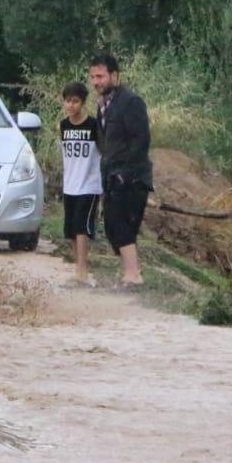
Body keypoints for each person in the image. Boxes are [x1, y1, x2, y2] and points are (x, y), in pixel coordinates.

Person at [88, 52, 151, 287]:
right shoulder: (104, 105)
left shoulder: (131, 102)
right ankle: (132, 274)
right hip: (111, 176)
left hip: (131, 178)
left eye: (100, 76)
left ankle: (133, 275)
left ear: (115, 75)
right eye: (93, 77)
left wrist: (126, 174)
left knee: (121, 224)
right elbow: (104, 143)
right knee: (114, 227)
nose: (96, 82)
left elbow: (141, 140)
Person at [59, 80, 103, 287]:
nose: (71, 105)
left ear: (83, 102)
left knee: (81, 229)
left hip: (89, 185)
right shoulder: (63, 125)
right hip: (70, 184)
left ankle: (83, 273)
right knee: (70, 231)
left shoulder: (94, 125)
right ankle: (78, 270)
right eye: (68, 101)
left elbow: (104, 152)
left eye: (75, 101)